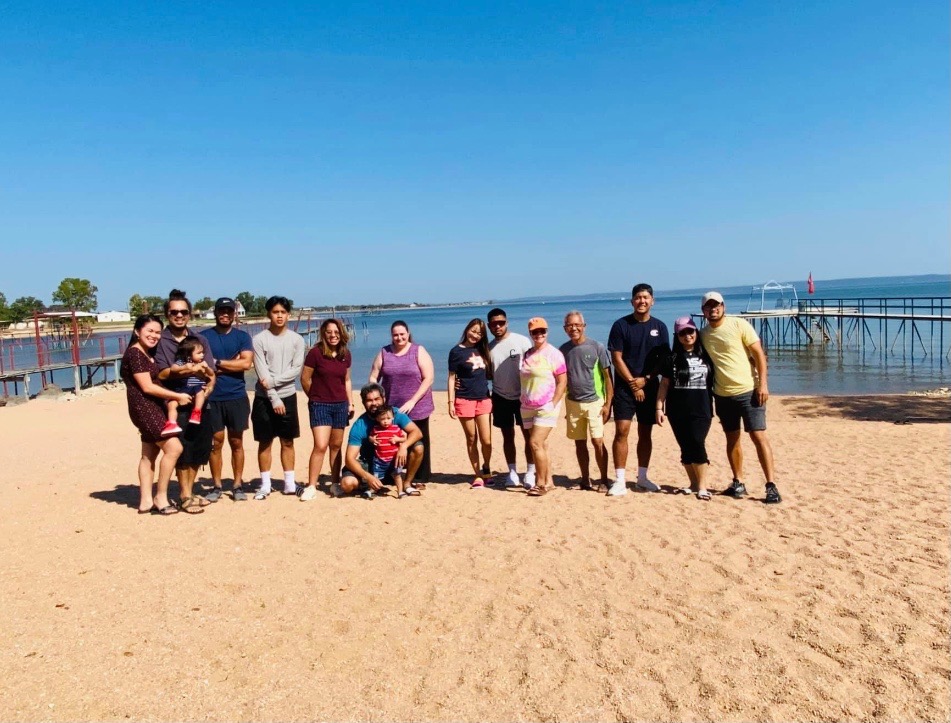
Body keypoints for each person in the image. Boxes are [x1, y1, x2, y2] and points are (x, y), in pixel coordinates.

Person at [699, 291, 782, 504]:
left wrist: (763, 384)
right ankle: (738, 481)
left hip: (748, 391)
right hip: (723, 394)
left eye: (716, 305)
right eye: (709, 306)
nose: (713, 309)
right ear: (703, 311)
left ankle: (771, 485)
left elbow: (759, 355)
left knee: (758, 436)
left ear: (723, 306)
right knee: (732, 439)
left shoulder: (739, 325)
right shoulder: (704, 334)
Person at [120, 314, 191, 515]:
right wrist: (177, 395)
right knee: (174, 448)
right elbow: (147, 386)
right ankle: (161, 496)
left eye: (158, 332)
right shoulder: (135, 354)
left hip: (148, 407)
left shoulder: (145, 352)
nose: (154, 335)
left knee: (148, 454)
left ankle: (145, 501)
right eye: (149, 331)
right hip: (145, 408)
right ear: (137, 331)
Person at [155, 289, 216, 514]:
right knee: (183, 451)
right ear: (167, 314)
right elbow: (161, 374)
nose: (179, 315)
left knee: (199, 449)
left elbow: (210, 372)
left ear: (190, 314)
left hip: (200, 405)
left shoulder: (200, 340)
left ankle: (189, 492)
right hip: (176, 403)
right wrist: (187, 371)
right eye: (174, 312)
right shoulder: (161, 341)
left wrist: (208, 389)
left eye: (183, 312)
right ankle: (184, 496)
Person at [606, 283, 670, 497]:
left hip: (649, 387)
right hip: (625, 388)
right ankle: (620, 480)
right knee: (621, 431)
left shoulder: (660, 327)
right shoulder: (621, 325)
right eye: (638, 297)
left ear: (652, 301)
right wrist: (634, 383)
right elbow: (616, 357)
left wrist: (647, 379)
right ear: (632, 301)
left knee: (645, 432)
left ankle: (642, 477)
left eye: (646, 297)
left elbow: (663, 359)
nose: (642, 301)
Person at [251, 296, 306, 500]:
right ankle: (265, 484)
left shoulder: (297, 340)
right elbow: (261, 371)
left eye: (283, 312)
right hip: (264, 398)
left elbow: (296, 369)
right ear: (269, 314)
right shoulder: (259, 339)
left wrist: (273, 384)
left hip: (289, 395)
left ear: (288, 315)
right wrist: (274, 398)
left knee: (287, 441)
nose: (279, 316)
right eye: (275, 312)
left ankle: (289, 483)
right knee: (265, 442)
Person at [368, 320, 435, 487]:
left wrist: (413, 400)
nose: (399, 338)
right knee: (391, 439)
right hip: (392, 408)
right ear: (392, 336)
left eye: (402, 334)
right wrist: (376, 397)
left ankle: (420, 477)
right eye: (395, 335)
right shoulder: (384, 352)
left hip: (418, 405)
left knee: (419, 440)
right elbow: (373, 376)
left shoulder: (418, 350)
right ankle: (392, 473)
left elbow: (429, 378)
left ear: (408, 333)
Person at [200, 297, 254, 503]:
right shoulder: (204, 337)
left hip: (236, 396)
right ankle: (216, 485)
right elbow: (201, 364)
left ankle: (238, 484)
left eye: (229, 311)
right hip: (211, 396)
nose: (225, 314)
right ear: (215, 313)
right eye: (221, 311)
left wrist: (217, 363)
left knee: (236, 441)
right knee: (216, 442)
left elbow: (246, 364)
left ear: (234, 314)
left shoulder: (242, 337)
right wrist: (231, 363)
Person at [655, 316, 715, 500]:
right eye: (682, 333)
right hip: (677, 410)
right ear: (677, 336)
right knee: (685, 446)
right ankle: (693, 484)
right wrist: (659, 407)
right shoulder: (671, 359)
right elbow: (664, 384)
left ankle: (703, 486)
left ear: (696, 332)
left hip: (702, 408)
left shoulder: (707, 355)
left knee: (697, 442)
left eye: (690, 331)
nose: (687, 336)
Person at [299, 318, 354, 501]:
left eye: (337, 332)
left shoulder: (345, 354)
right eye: (330, 332)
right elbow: (305, 379)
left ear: (342, 334)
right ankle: (311, 485)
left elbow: (346, 380)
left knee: (336, 446)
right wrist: (314, 397)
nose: (333, 335)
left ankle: (335, 483)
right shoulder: (315, 353)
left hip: (340, 404)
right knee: (321, 445)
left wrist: (350, 402)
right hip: (320, 405)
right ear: (324, 334)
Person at [559, 311, 614, 491]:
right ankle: (585, 479)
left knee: (598, 441)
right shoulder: (563, 350)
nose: (573, 328)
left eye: (577, 325)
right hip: (573, 403)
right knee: (579, 442)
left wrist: (608, 405)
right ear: (565, 328)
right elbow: (561, 379)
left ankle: (604, 479)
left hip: (595, 402)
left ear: (584, 326)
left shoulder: (597, 347)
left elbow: (608, 378)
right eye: (569, 326)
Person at [339, 383, 424, 499]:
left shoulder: (395, 414)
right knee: (347, 484)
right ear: (364, 402)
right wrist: (368, 477)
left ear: (384, 399)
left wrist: (404, 446)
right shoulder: (360, 425)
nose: (374, 403)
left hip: (395, 460)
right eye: (369, 400)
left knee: (418, 447)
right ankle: (371, 484)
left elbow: (417, 432)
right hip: (371, 462)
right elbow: (349, 459)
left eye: (377, 399)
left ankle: (407, 483)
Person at [486, 307, 535, 488]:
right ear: (489, 326)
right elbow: (486, 373)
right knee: (507, 436)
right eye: (494, 324)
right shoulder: (489, 348)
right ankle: (512, 472)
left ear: (506, 323)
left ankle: (530, 472)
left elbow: (535, 365)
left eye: (501, 323)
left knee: (528, 436)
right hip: (500, 397)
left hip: (523, 397)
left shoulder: (522, 341)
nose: (498, 326)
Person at [519, 317, 567, 497]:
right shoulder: (527, 354)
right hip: (527, 405)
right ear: (530, 333)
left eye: (542, 331)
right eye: (535, 332)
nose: (539, 334)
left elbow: (562, 381)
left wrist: (553, 403)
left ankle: (540, 484)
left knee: (535, 442)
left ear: (547, 332)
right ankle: (549, 481)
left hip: (546, 405)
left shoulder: (554, 354)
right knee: (542, 445)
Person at [447, 318, 494, 488]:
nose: (475, 335)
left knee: (486, 440)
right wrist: (450, 401)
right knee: (471, 438)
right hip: (464, 399)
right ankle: (478, 475)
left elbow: (490, 374)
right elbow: (452, 378)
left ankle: (486, 467)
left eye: (480, 333)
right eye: (473, 331)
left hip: (483, 398)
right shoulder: (456, 352)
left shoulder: (484, 350)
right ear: (467, 329)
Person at [165, 335, 215, 433]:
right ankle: (171, 423)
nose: (202, 355)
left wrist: (207, 368)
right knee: (171, 404)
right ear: (188, 354)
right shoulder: (181, 362)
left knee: (200, 392)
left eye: (202, 352)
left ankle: (196, 412)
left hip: (197, 387)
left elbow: (211, 374)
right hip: (182, 388)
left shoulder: (201, 363)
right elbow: (173, 369)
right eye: (199, 353)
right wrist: (184, 367)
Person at [368, 405, 418, 499]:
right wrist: (372, 439)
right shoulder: (376, 429)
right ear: (378, 419)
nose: (386, 421)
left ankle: (400, 491)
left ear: (393, 418)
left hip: (395, 458)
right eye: (382, 419)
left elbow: (405, 438)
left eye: (388, 418)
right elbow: (370, 437)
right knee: (376, 476)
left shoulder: (396, 428)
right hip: (380, 458)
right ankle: (373, 490)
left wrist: (398, 439)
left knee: (397, 475)